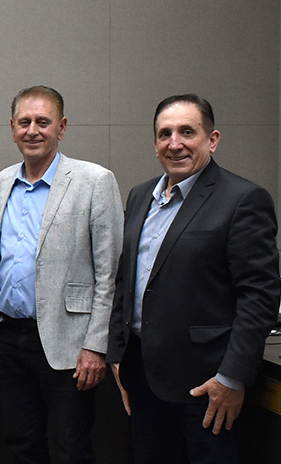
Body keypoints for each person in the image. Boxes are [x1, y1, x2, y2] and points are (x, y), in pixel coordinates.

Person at [107, 94, 280, 464]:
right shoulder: (140, 196)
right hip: (142, 377)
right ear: (155, 143)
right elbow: (126, 280)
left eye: (187, 132)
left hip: (207, 387)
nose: (175, 143)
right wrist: (118, 355)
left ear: (212, 139)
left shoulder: (242, 199)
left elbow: (260, 297)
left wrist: (231, 378)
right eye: (165, 134)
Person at [0, 86, 123, 464]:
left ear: (62, 127)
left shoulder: (94, 181)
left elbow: (109, 274)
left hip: (69, 343)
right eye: (24, 122)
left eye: (43, 122)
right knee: (21, 444)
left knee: (70, 449)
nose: (32, 130)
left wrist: (96, 346)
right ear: (12, 128)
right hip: (10, 337)